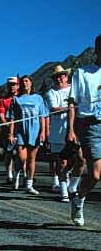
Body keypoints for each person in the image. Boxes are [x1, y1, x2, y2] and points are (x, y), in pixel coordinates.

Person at [67, 34, 101, 226]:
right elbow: (72, 102)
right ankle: (79, 198)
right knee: (95, 174)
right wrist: (71, 129)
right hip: (90, 124)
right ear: (97, 51)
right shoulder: (83, 73)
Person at [45, 65, 85, 202]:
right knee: (62, 162)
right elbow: (54, 108)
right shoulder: (51, 92)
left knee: (81, 160)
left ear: (66, 76)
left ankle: (72, 187)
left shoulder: (74, 89)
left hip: (78, 130)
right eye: (57, 76)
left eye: (62, 75)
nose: (59, 78)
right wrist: (70, 108)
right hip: (59, 131)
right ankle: (64, 193)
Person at [7, 75, 48, 194]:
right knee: (22, 157)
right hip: (20, 132)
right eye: (22, 82)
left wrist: (43, 132)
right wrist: (10, 134)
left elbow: (42, 116)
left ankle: (29, 184)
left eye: (27, 81)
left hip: (34, 132)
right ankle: (16, 173)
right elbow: (12, 118)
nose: (25, 83)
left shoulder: (38, 98)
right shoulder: (16, 99)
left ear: (31, 83)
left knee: (31, 159)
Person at [0, 77, 20, 183]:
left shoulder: (22, 97)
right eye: (10, 85)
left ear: (18, 85)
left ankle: (23, 174)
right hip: (7, 129)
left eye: (14, 84)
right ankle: (9, 174)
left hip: (21, 129)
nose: (12, 86)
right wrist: (7, 125)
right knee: (9, 153)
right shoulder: (3, 100)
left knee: (21, 153)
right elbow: (2, 115)